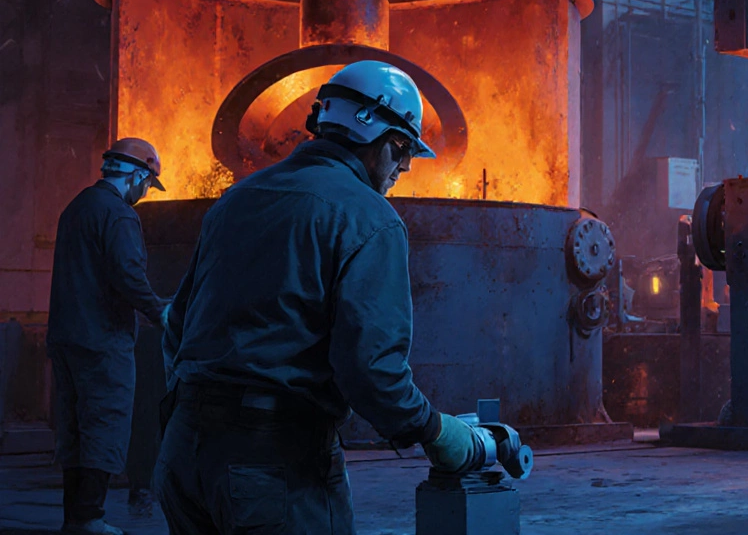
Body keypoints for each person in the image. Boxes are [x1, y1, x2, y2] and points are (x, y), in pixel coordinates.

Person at [155, 61, 485, 534]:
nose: (406, 166)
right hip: (274, 463)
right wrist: (434, 430)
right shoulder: (369, 218)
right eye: (403, 149)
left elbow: (177, 324)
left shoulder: (236, 200)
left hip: (182, 457)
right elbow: (371, 371)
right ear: (380, 140)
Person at [47, 138, 169, 535]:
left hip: (66, 336)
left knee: (75, 429)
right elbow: (128, 275)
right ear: (137, 174)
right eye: (147, 184)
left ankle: (74, 517)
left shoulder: (77, 206)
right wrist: (160, 311)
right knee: (105, 425)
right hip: (103, 339)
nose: (145, 193)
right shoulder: (117, 214)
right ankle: (89, 518)